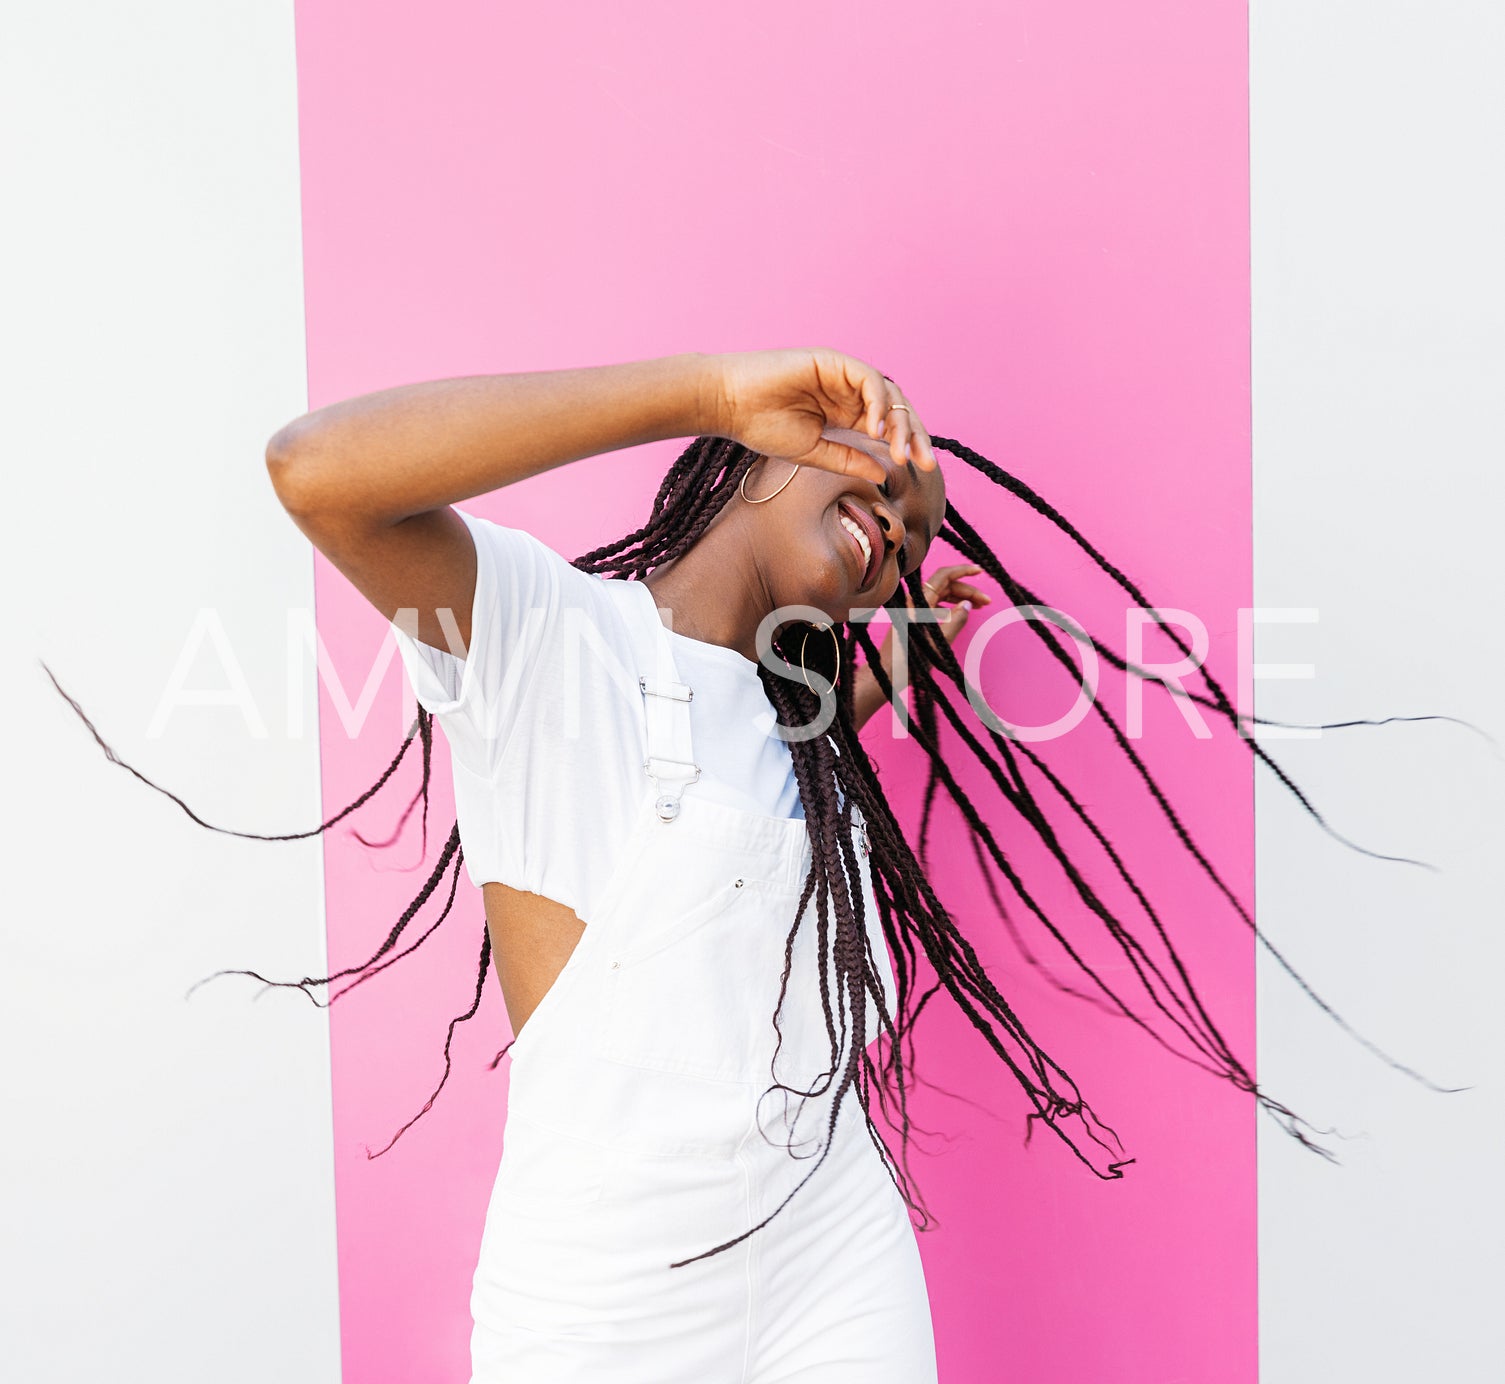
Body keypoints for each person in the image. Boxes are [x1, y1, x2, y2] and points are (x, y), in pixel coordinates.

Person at [44, 347, 1445, 1382]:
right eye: (878, 475)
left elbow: (735, 829)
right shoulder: (547, 638)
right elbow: (316, 471)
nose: (897, 519)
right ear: (760, 449)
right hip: (608, 1299)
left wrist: (883, 677)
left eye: (909, 530)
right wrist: (701, 389)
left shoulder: (800, 745)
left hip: (827, 1247)